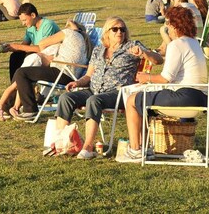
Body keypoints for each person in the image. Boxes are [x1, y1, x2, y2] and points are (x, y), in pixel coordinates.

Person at [52, 17, 163, 160]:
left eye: (122, 29)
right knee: (65, 98)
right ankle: (63, 143)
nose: (119, 32)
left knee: (94, 100)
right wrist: (78, 83)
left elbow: (158, 60)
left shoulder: (132, 46)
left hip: (118, 93)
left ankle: (88, 147)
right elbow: (89, 75)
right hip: (94, 89)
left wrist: (143, 53)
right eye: (115, 29)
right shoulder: (98, 49)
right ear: (107, 32)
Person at [117, 6, 208, 162]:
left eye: (167, 24)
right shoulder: (194, 43)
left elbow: (166, 78)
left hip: (184, 98)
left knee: (132, 99)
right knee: (144, 98)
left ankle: (135, 150)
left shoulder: (177, 45)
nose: (167, 28)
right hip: (201, 98)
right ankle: (146, 147)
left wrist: (147, 78)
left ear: (173, 26)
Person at [0, 19, 92, 121]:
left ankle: (29, 110)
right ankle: (14, 107)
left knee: (22, 73)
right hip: (69, 75)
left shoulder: (68, 33)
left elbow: (42, 43)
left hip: (62, 72)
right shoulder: (86, 43)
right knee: (25, 74)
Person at [0, 2, 60, 79]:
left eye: (24, 20)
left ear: (33, 15)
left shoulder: (48, 25)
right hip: (40, 55)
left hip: (51, 57)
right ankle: (15, 83)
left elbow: (43, 49)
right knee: (15, 56)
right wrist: (9, 48)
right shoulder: (30, 28)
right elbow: (24, 45)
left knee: (27, 57)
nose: (23, 24)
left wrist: (18, 46)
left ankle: (19, 84)